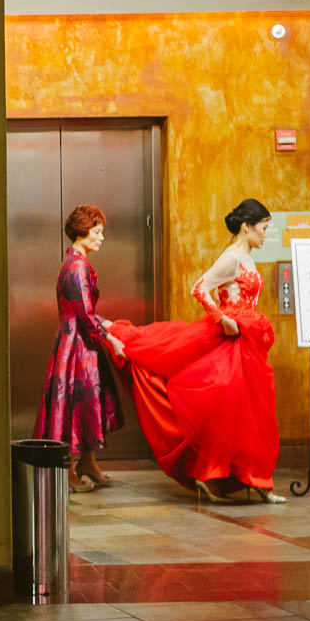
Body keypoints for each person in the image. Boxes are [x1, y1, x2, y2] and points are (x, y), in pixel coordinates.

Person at [112, 198, 285, 503]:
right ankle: (215, 476)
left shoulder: (247, 257)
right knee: (224, 407)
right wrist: (223, 318)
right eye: (263, 228)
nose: (266, 234)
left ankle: (256, 480)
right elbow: (199, 287)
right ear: (247, 228)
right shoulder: (231, 257)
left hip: (247, 343)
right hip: (229, 339)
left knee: (249, 414)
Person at [34, 204, 128, 492]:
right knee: (75, 406)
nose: (101, 238)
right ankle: (70, 471)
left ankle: (88, 462)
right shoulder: (76, 266)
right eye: (97, 232)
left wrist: (104, 324)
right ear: (82, 232)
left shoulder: (76, 262)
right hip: (77, 345)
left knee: (87, 404)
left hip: (79, 341)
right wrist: (111, 338)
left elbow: (83, 312)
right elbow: (85, 314)